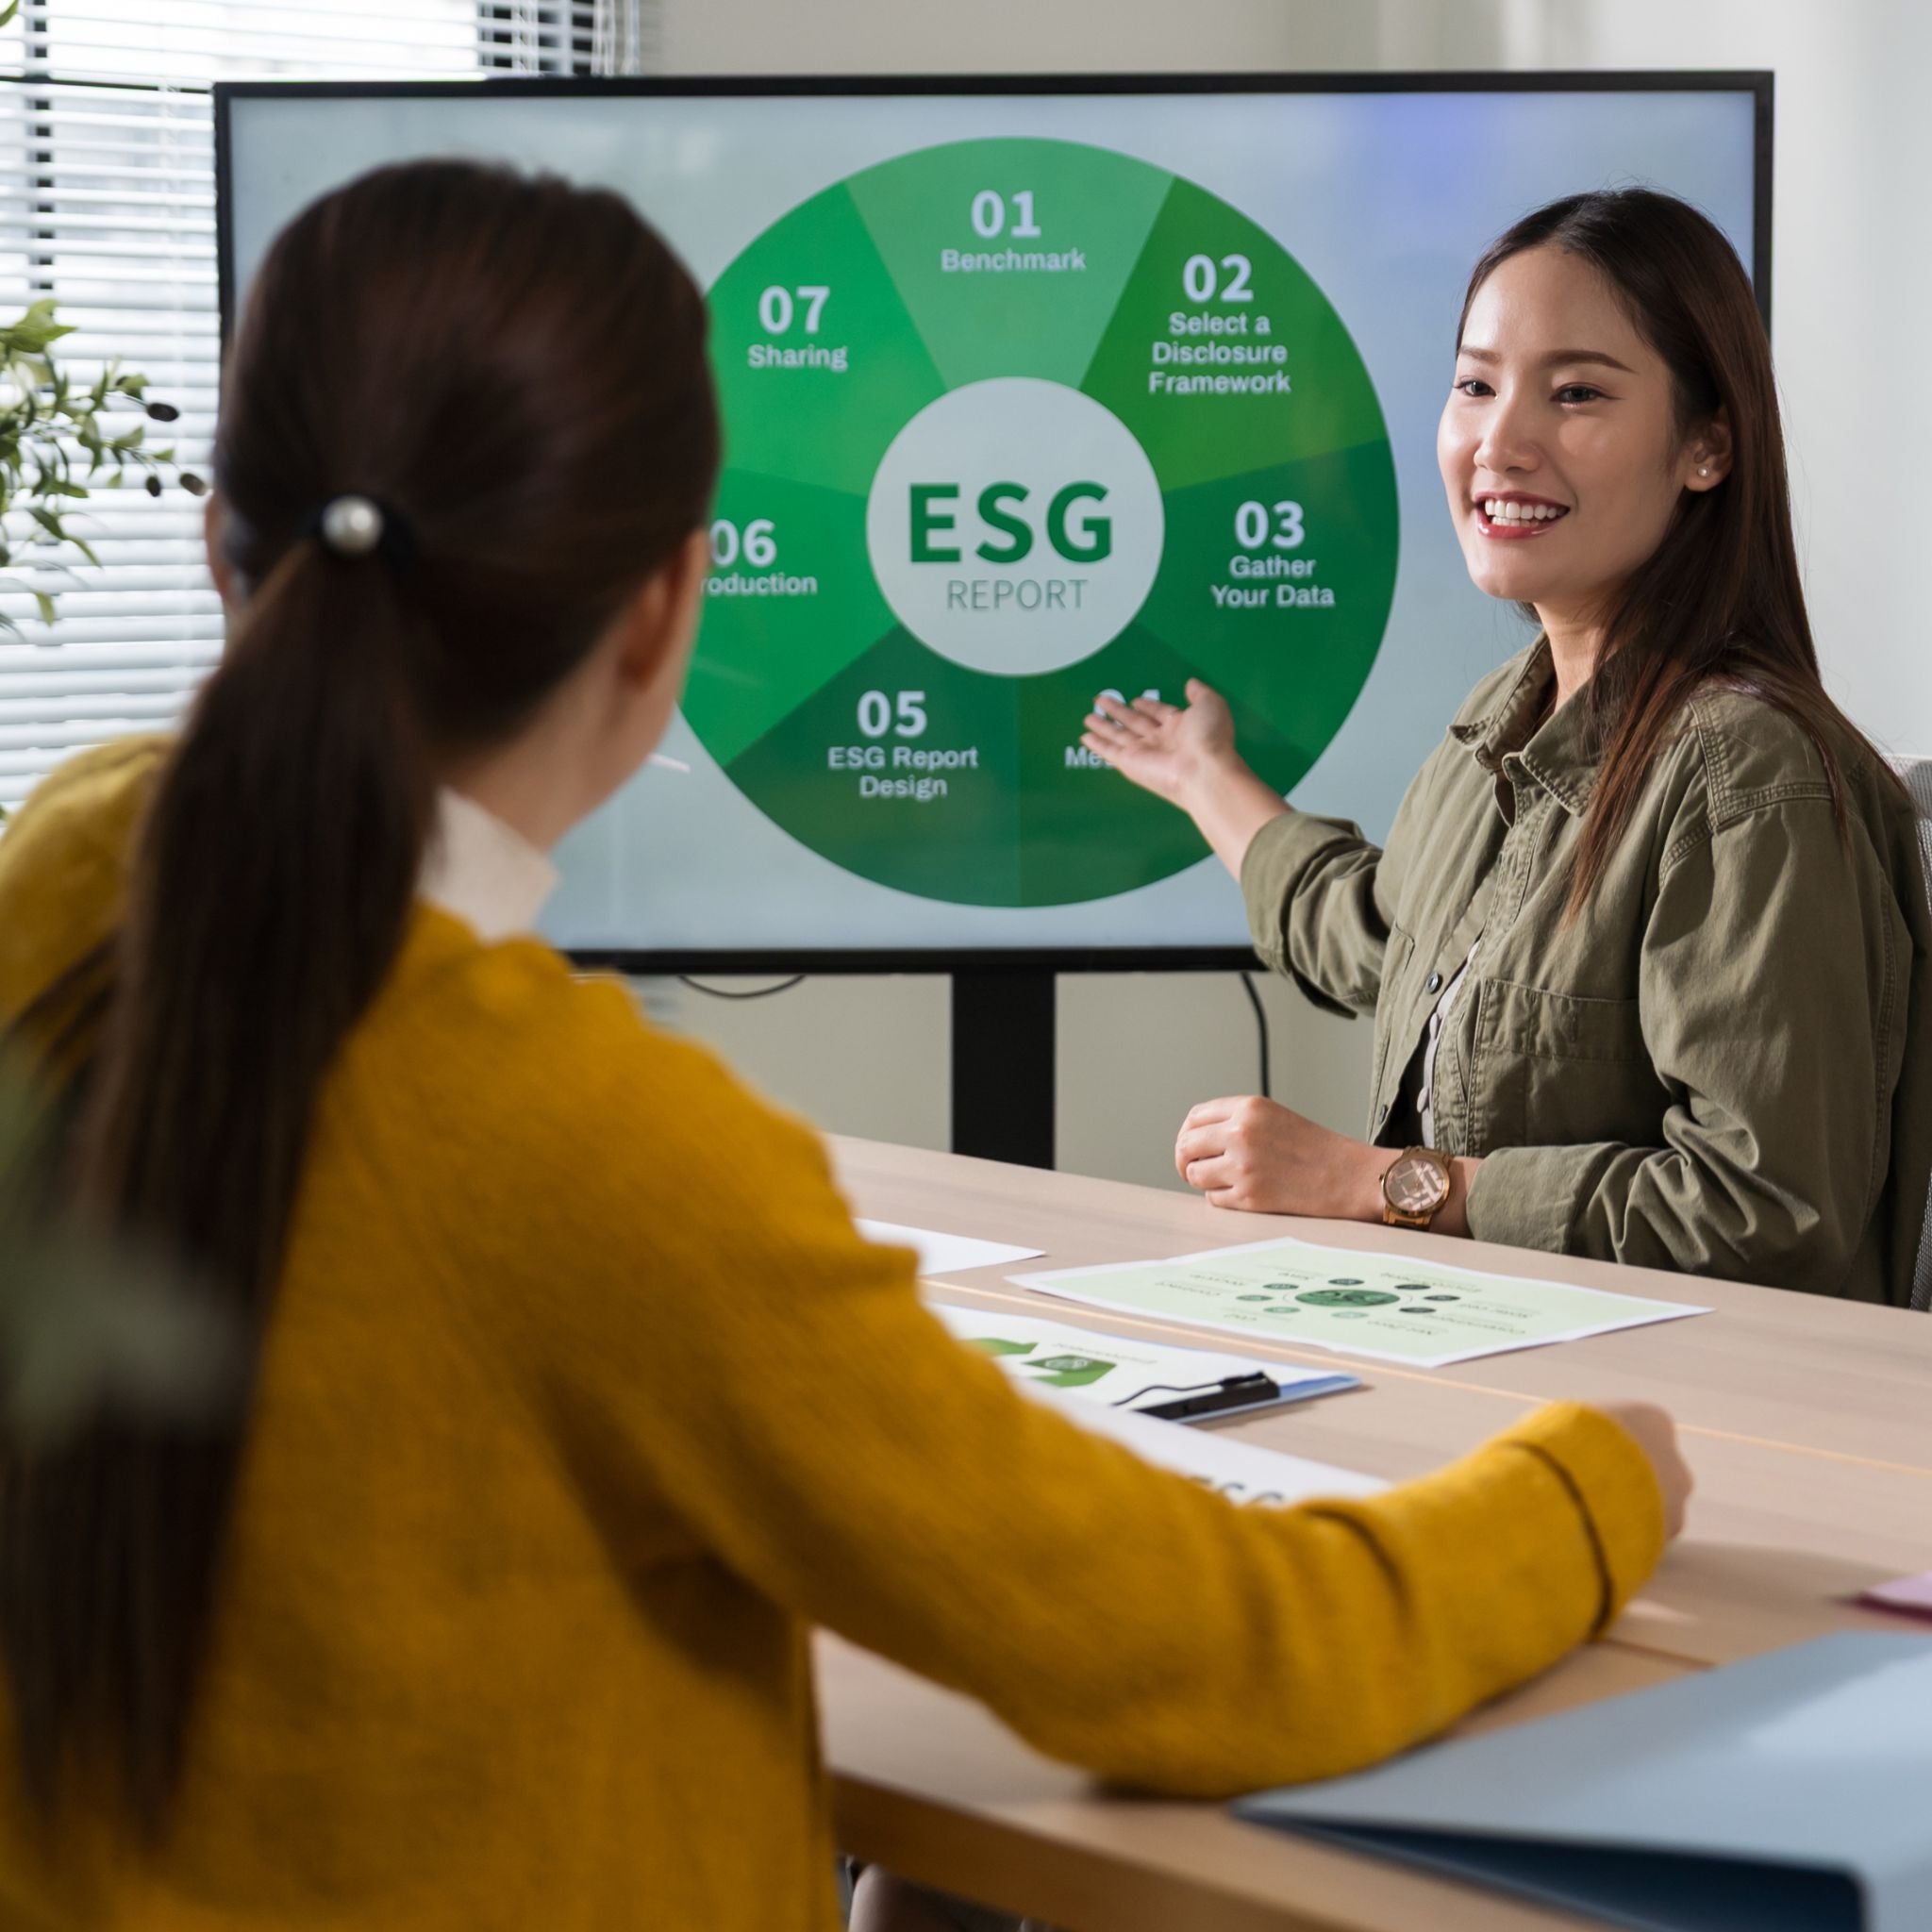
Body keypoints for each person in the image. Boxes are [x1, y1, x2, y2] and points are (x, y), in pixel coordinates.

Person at [0, 161, 1690, 1932]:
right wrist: (1585, 1487)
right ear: (669, 606)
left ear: (219, 542)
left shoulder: (64, 872)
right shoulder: (591, 1145)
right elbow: (1205, 1653)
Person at [1087, 188, 1932, 1306]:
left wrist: (1377, 1181)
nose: (1499, 441)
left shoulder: (1743, 772)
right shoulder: (1507, 711)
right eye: (1475, 385)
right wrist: (1205, 774)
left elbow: (1765, 1212)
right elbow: (1384, 937)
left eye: (1575, 392)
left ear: (1706, 446)